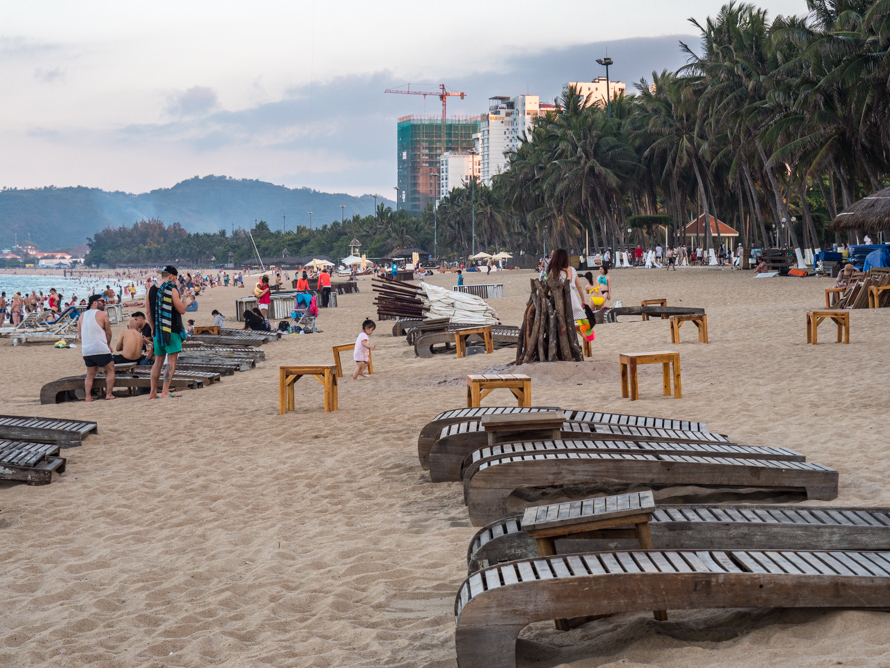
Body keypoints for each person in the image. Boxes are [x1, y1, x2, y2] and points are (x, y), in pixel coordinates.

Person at [147, 265, 190, 399]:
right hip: (171, 330)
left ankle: (153, 392)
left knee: (158, 361)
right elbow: (181, 310)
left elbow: (148, 312)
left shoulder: (151, 290)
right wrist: (185, 301)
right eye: (175, 278)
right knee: (171, 360)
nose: (176, 281)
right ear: (171, 276)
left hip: (158, 331)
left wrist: (154, 328)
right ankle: (165, 391)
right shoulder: (172, 290)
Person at [77, 294, 115, 401]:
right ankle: (109, 394)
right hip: (100, 348)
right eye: (102, 301)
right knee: (111, 370)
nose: (104, 303)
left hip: (86, 350)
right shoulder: (103, 314)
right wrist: (108, 344)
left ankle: (88, 397)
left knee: (90, 374)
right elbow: (109, 333)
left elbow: (80, 335)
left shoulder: (82, 316)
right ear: (94, 302)